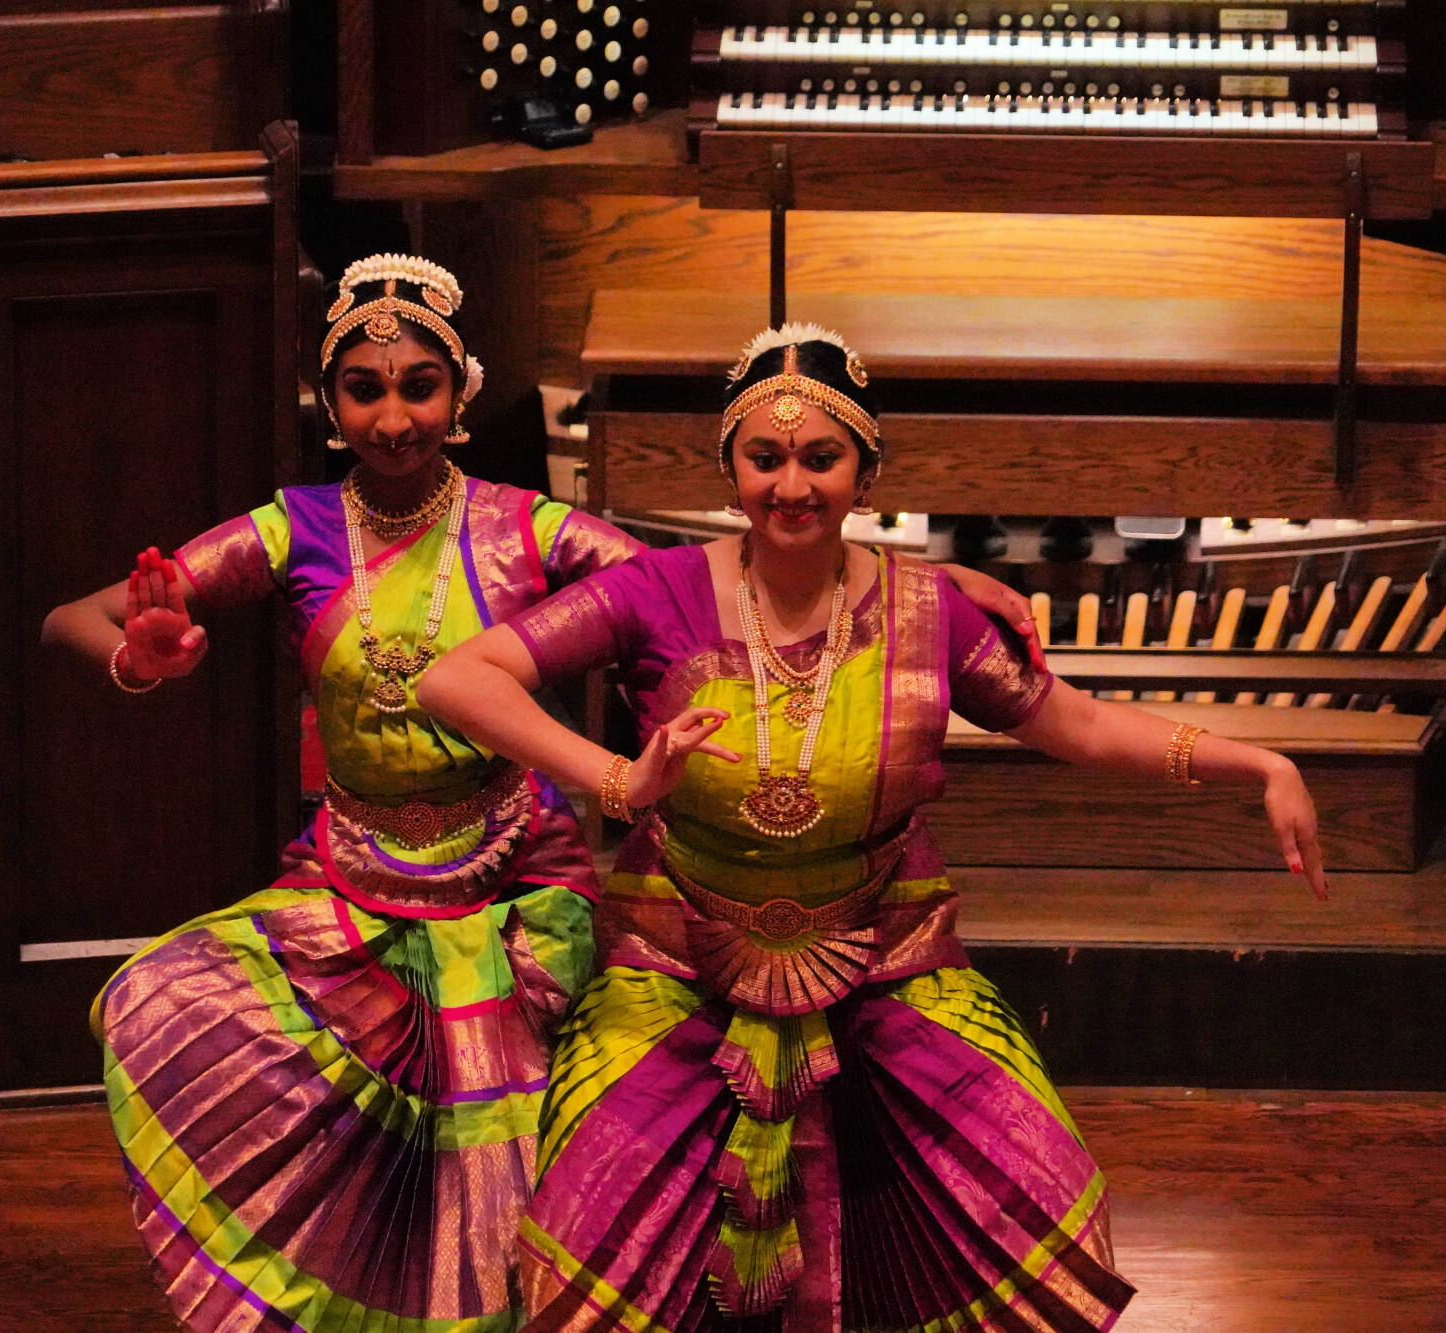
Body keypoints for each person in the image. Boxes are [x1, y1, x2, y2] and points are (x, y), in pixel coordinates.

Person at [41, 262, 1045, 1332]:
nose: (392, 418)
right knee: (160, 1000)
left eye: (419, 385)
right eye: (364, 390)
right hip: (351, 885)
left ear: (461, 393)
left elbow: (729, 572)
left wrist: (925, 585)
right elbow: (76, 615)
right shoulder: (289, 532)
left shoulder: (529, 530)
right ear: (326, 404)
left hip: (518, 891)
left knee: (523, 1165)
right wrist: (142, 662)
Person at [419, 323, 1329, 1332]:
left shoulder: (927, 609)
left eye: (820, 458)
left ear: (865, 472)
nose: (791, 484)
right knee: (597, 1233)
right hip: (677, 967)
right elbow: (456, 675)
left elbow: (1073, 724)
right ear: (730, 471)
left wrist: (1257, 762)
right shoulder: (657, 592)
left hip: (887, 961)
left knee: (1030, 1196)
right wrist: (620, 779)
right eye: (764, 459)